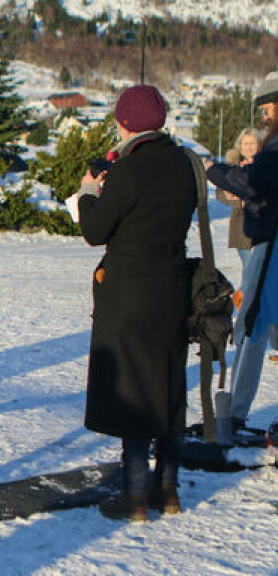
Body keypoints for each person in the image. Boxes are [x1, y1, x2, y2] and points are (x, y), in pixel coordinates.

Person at [70, 84, 197, 522]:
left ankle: (136, 495)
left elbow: (95, 231)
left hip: (130, 291)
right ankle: (169, 489)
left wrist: (89, 191)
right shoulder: (184, 164)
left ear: (125, 123)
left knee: (135, 390)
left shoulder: (128, 170)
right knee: (168, 385)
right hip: (173, 286)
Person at [205, 72, 278, 431]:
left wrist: (213, 170)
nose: (264, 117)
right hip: (267, 238)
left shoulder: (275, 148)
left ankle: (234, 413)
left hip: (271, 242)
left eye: (267, 109)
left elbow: (253, 182)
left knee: (251, 322)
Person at [216, 128, 264, 268]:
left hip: (262, 225)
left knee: (260, 269)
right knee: (249, 268)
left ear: (259, 145)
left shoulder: (265, 166)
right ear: (240, 146)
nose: (248, 147)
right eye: (245, 144)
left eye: (252, 143)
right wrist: (231, 197)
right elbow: (219, 193)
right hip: (241, 226)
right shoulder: (233, 167)